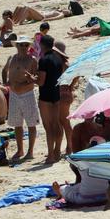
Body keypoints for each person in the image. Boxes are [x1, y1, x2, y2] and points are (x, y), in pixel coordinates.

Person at [2, 36, 39, 160]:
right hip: (14, 94)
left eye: (25, 45)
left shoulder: (32, 60)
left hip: (27, 94)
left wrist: (27, 82)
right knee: (17, 124)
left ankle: (30, 151)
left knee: (31, 123)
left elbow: (36, 77)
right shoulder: (12, 58)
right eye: (21, 45)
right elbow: (4, 70)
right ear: (17, 46)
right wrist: (5, 82)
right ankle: (20, 150)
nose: (23, 47)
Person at [36, 34, 64, 164]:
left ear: (42, 45)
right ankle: (57, 151)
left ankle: (51, 155)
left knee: (48, 127)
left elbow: (41, 82)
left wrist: (32, 79)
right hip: (56, 94)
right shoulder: (58, 58)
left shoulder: (43, 60)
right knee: (57, 124)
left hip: (46, 96)